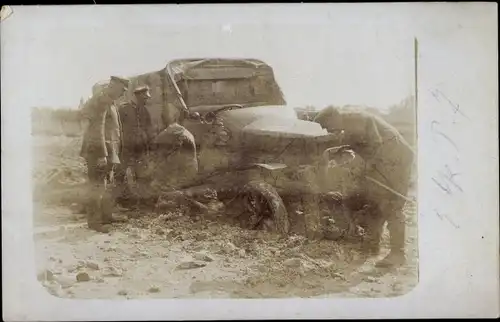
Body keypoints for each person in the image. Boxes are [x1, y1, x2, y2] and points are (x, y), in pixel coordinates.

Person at [313, 106, 415, 267]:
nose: (329, 131)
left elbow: (375, 145)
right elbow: (353, 146)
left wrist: (367, 170)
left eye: (327, 126)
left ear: (333, 118)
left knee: (391, 203)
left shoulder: (355, 119)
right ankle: (372, 245)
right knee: (374, 199)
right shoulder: (346, 125)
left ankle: (397, 254)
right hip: (385, 160)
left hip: (396, 159)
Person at [80, 76, 130, 233]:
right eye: (122, 90)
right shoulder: (102, 100)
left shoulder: (110, 101)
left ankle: (106, 216)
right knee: (97, 186)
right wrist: (102, 154)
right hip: (99, 151)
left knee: (106, 185)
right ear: (113, 86)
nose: (123, 94)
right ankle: (95, 222)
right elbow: (97, 129)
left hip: (108, 151)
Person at [115, 85, 155, 208]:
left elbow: (149, 129)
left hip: (141, 148)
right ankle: (119, 200)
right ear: (138, 95)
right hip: (126, 147)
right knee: (120, 174)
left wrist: (149, 145)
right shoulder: (123, 109)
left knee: (142, 174)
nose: (146, 99)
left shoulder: (145, 110)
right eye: (144, 97)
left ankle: (142, 202)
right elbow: (117, 128)